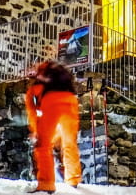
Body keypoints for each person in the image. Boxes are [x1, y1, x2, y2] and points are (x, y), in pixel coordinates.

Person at [25, 60, 81, 193]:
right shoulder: (61, 78)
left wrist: (35, 130)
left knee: (43, 146)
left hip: (51, 102)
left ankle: (46, 184)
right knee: (69, 143)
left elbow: (32, 112)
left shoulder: (35, 88)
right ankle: (73, 179)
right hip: (71, 101)